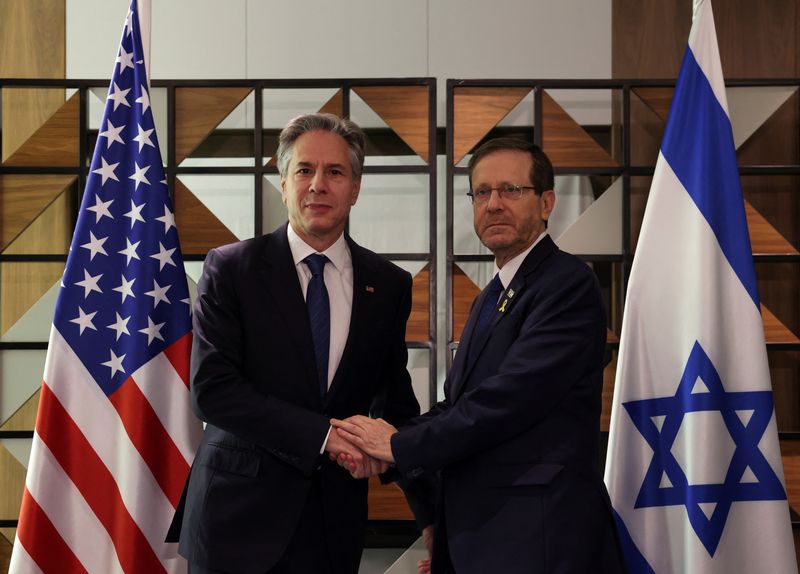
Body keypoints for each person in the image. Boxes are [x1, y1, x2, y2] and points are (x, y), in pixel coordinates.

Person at [334, 138, 628, 574]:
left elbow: (508, 400)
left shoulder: (568, 284)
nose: (494, 204)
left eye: (511, 190)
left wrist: (395, 444)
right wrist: (383, 444)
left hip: (540, 540)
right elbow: (458, 406)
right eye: (482, 193)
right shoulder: (491, 296)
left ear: (546, 202)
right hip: (484, 535)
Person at [169, 113, 420, 574]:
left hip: (333, 525)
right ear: (283, 184)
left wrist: (428, 514)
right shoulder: (232, 269)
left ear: (356, 189)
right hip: (235, 523)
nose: (318, 185)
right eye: (304, 170)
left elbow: (393, 403)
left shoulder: (388, 285)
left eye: (336, 172)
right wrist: (325, 437)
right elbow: (213, 390)